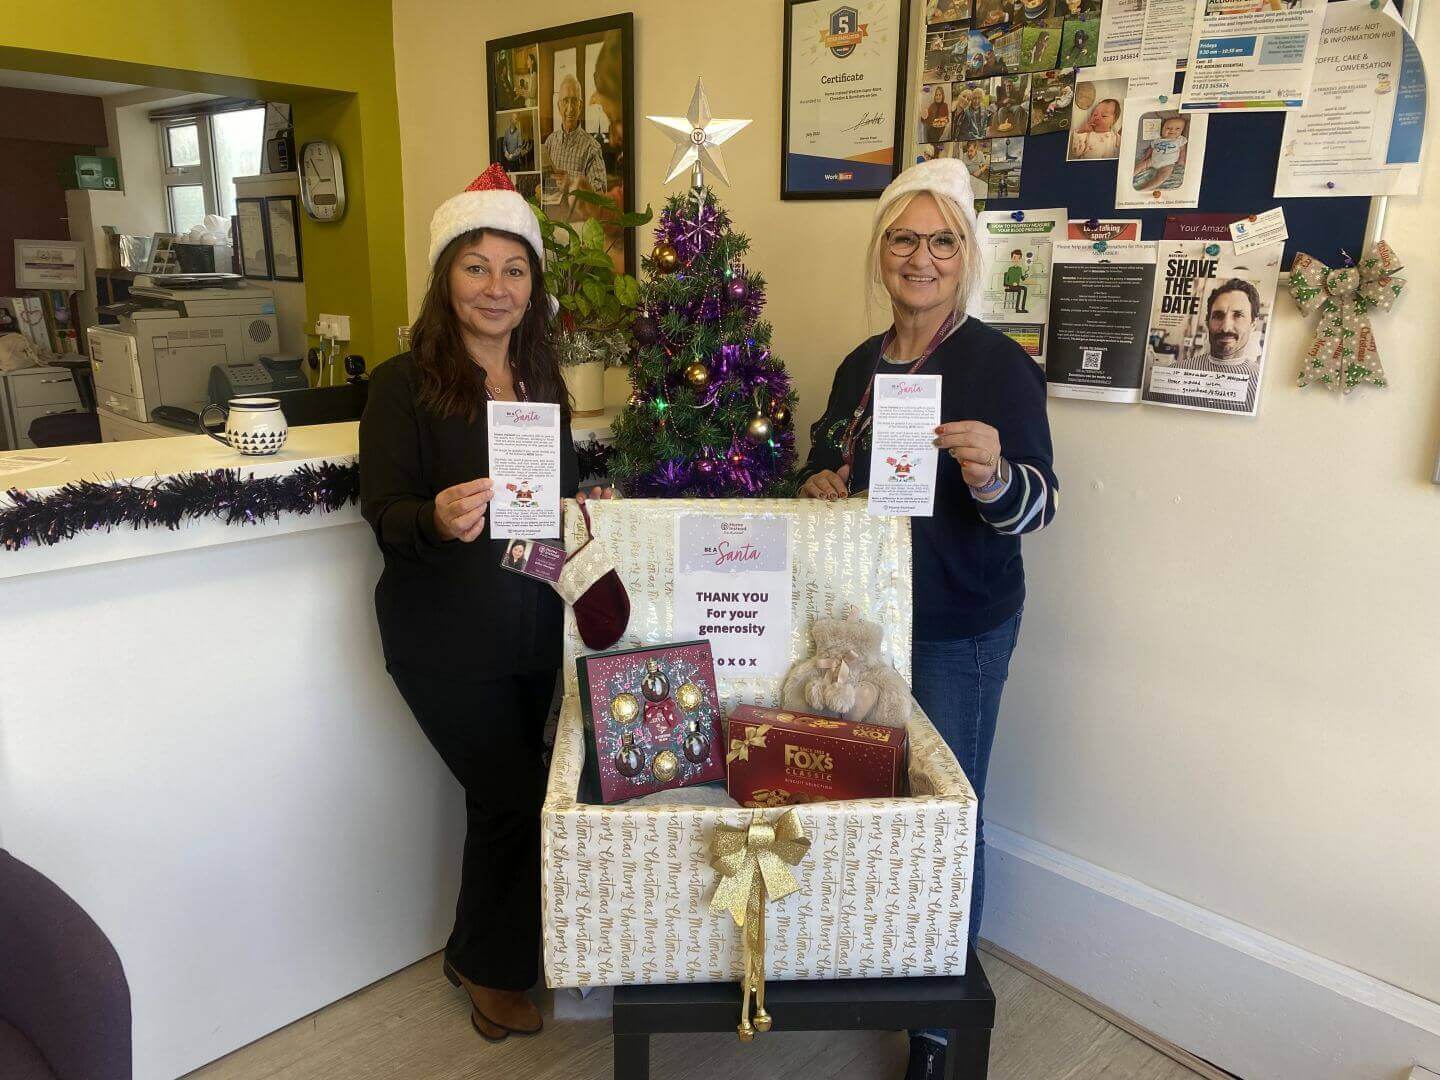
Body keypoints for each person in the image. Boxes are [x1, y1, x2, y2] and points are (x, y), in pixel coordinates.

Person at [797, 158, 1058, 1080]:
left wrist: (991, 474)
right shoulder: (859, 366)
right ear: (881, 254)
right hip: (865, 630)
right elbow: (824, 472)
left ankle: (937, 1027)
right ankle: (874, 955)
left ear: (966, 255)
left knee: (947, 814)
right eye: (904, 239)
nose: (921, 257)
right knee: (870, 796)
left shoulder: (998, 365)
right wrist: (820, 480)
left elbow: (1037, 507)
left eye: (941, 240)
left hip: (957, 626)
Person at [360, 163, 604, 1045]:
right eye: (477, 265)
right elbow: (380, 513)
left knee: (504, 797)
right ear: (445, 276)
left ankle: (476, 947)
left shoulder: (542, 384)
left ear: (533, 286)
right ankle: (496, 971)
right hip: (442, 637)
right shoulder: (402, 384)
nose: (496, 287)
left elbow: (556, 506)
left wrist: (585, 506)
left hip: (530, 627)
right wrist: (432, 514)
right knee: (509, 795)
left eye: (514, 268)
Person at [1152, 278, 1264, 413]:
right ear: (1207, 322)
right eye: (1218, 315)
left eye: (1238, 315)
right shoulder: (1173, 375)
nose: (1225, 327)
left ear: (1253, 324)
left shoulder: (1262, 385)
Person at [543, 74, 608, 196]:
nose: (570, 108)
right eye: (565, 101)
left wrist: (572, 185)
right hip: (551, 214)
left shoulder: (592, 148)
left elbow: (601, 195)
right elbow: (544, 183)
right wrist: (539, 189)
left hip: (579, 215)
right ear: (558, 106)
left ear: (580, 106)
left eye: (574, 101)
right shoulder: (550, 142)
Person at [1133, 114, 1189, 190]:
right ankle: (1129, 176)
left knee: (1162, 177)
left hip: (1168, 163)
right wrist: (1145, 157)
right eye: (1168, 128)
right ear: (1162, 129)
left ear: (1182, 131)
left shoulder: (1180, 140)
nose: (1172, 130)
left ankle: (1145, 188)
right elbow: (1151, 149)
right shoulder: (1158, 139)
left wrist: (1181, 160)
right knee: (1139, 166)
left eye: (1177, 128)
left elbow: (1182, 150)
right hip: (1153, 160)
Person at [1003, 248, 1030, 312]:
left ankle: (1023, 308)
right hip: (1011, 286)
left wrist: (1025, 276)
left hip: (1017, 285)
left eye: (1018, 258)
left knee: (1025, 288)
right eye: (1014, 258)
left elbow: (1022, 278)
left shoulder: (1020, 269)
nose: (1016, 260)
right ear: (1012, 258)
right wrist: (1011, 284)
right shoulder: (1010, 269)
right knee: (1019, 290)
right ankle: (1017, 309)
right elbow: (1006, 281)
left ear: (1020, 259)